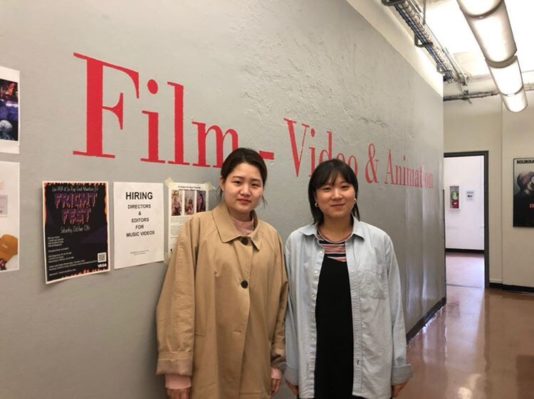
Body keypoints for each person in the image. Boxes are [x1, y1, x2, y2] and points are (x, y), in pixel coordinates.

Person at [156, 147, 288, 399]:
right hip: (206, 365)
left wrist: (275, 361)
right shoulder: (197, 228)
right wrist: (177, 369)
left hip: (255, 365)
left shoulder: (272, 238)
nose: (246, 191)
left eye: (255, 184)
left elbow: (280, 306)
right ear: (223, 182)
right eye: (237, 182)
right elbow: (179, 300)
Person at [284, 159, 412, 399]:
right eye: (326, 188)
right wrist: (293, 367)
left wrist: (398, 366)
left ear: (355, 193)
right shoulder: (296, 243)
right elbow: (290, 312)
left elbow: (394, 309)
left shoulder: (379, 241)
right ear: (315, 197)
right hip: (317, 363)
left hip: (369, 364)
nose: (336, 195)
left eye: (344, 186)